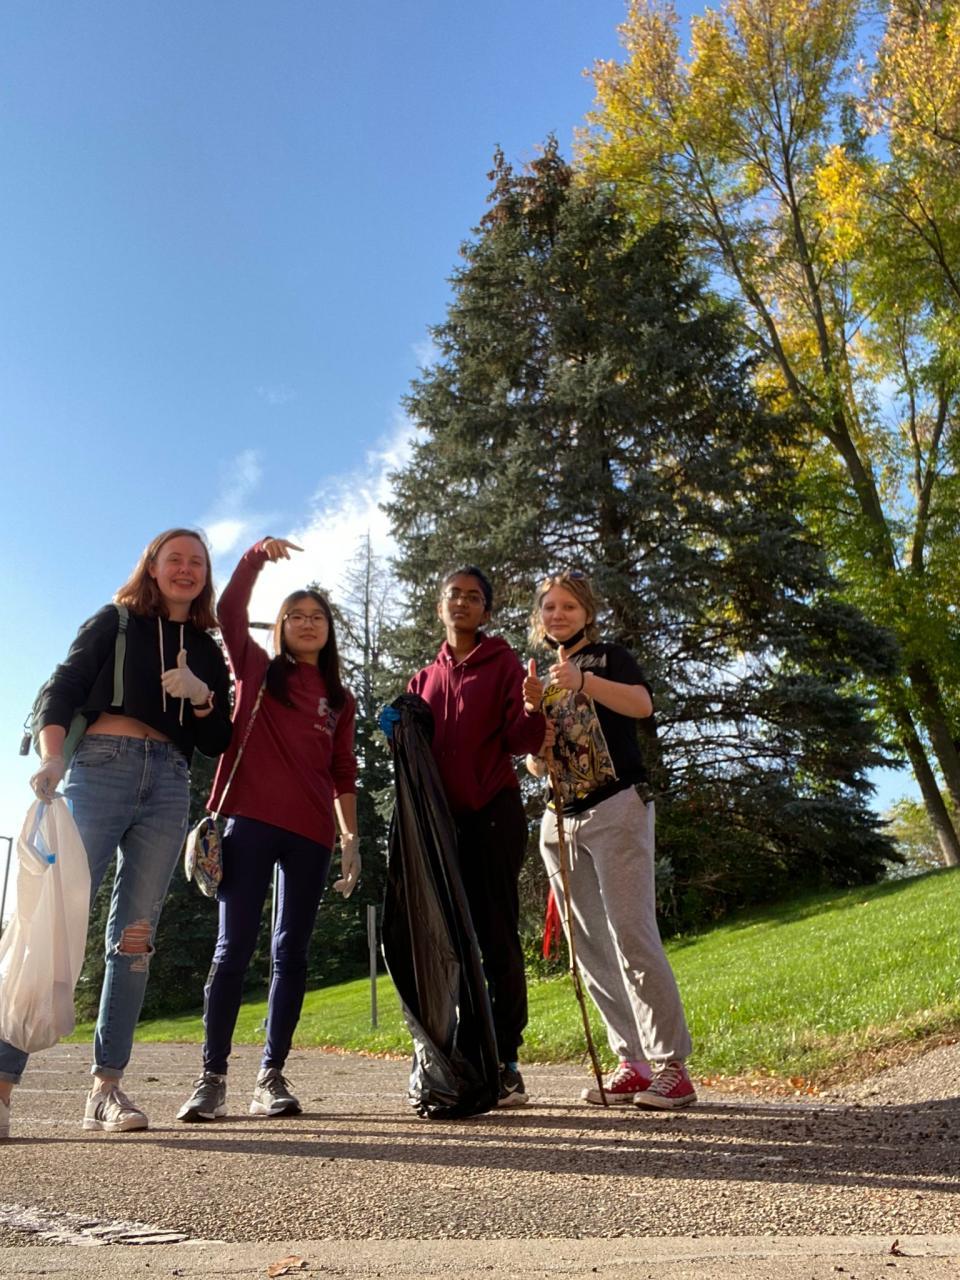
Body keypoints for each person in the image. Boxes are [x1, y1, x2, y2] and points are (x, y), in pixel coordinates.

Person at [0, 529, 232, 1140]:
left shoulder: (205, 648)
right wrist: (53, 759)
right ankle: (1, 1086)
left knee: (135, 937)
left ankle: (106, 1089)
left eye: (197, 562)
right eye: (174, 559)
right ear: (152, 566)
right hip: (101, 767)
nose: (186, 569)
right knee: (50, 923)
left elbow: (217, 740)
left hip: (170, 781)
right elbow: (62, 688)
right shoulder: (116, 621)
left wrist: (202, 698)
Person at [177, 537, 359, 1123]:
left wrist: (350, 839)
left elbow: (342, 770)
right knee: (232, 949)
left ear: (329, 631)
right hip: (248, 824)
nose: (306, 623)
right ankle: (212, 1078)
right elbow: (230, 611)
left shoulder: (340, 698)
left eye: (316, 617)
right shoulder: (256, 669)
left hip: (313, 835)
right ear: (280, 628)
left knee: (291, 952)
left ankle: (270, 1076)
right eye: (295, 616)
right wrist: (255, 557)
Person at [523, 572, 696, 1109]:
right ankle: (632, 1063)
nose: (558, 614)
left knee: (632, 935)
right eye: (549, 607)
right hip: (560, 820)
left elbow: (643, 706)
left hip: (616, 806)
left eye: (569, 606)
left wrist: (583, 681)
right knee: (589, 948)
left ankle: (672, 1067)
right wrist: (532, 723)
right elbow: (535, 765)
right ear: (539, 617)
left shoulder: (608, 658)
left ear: (587, 612)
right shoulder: (537, 678)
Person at [405, 567, 547, 1106]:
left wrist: (533, 706)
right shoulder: (423, 680)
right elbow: (414, 753)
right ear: (440, 606)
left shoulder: (504, 664)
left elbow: (521, 741)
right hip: (442, 829)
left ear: (486, 611)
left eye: (473, 597)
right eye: (453, 595)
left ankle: (506, 1061)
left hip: (493, 816)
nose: (462, 603)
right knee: (450, 945)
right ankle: (464, 1058)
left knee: (495, 938)